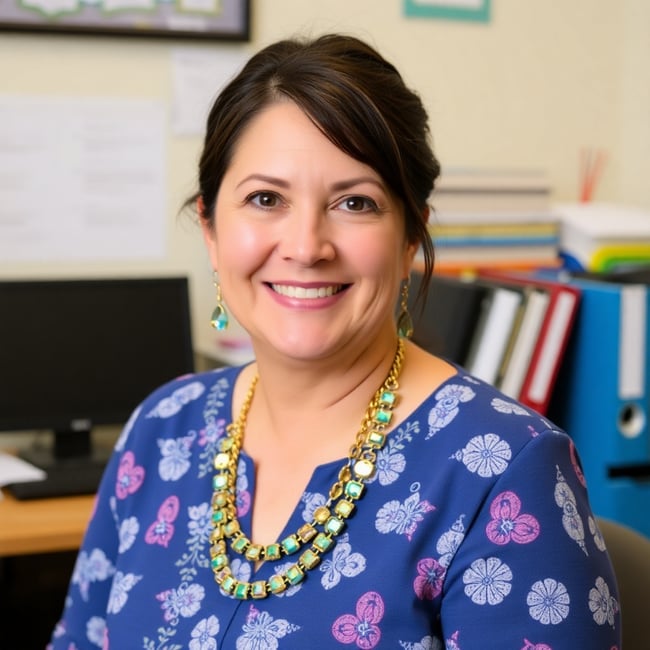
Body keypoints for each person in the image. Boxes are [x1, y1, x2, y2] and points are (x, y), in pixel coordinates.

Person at [49, 34, 621, 649]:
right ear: (212, 229)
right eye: (265, 199)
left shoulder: (504, 468)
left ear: (409, 239)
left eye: (355, 202)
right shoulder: (163, 428)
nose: (306, 246)